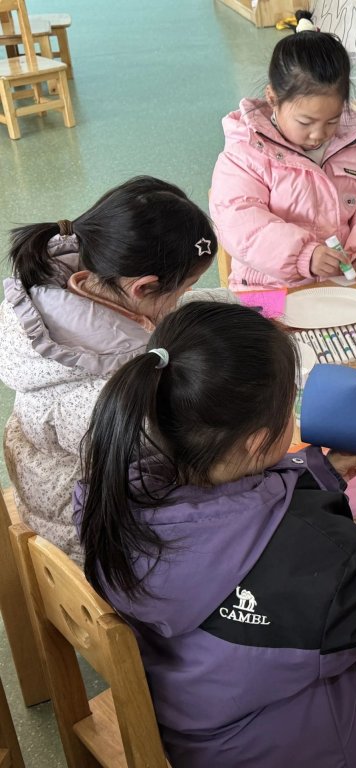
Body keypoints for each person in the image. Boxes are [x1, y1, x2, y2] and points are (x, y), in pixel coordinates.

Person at [74, 301, 356, 768]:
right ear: (257, 442)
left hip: (202, 731)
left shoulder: (115, 493)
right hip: (302, 751)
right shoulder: (306, 558)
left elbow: (232, 514)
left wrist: (317, 469)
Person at [0, 176, 216, 565]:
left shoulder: (82, 281)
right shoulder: (102, 392)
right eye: (186, 287)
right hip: (98, 549)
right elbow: (181, 449)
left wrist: (249, 307)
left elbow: (160, 314)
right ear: (143, 288)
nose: (184, 296)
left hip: (78, 501)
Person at [210, 11, 356, 290]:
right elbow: (239, 220)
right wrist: (302, 255)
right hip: (267, 289)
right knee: (274, 325)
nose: (318, 134)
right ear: (272, 97)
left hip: (338, 285)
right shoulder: (244, 155)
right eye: (305, 122)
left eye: (332, 121)